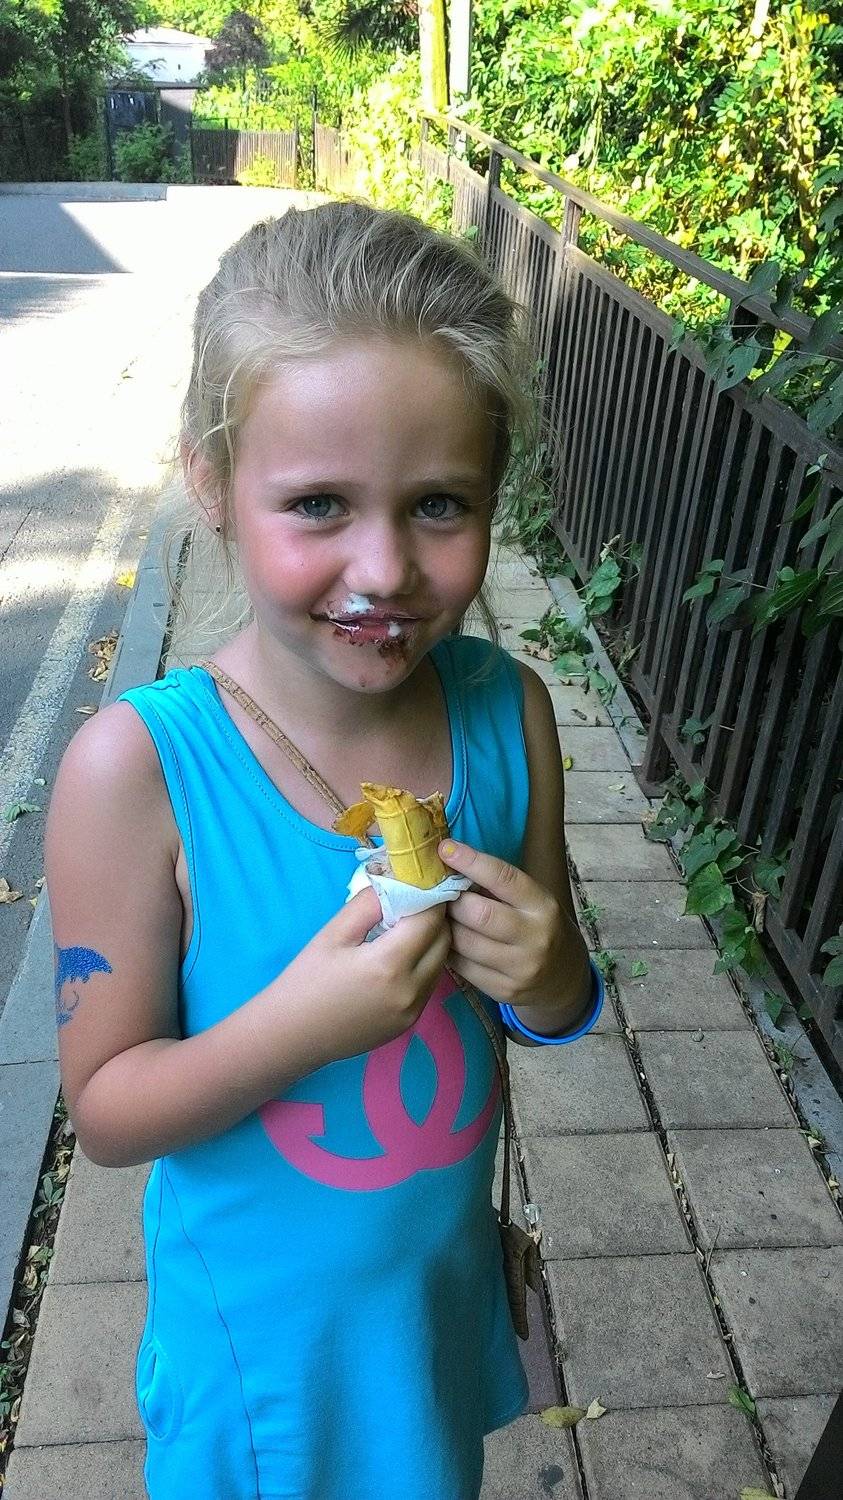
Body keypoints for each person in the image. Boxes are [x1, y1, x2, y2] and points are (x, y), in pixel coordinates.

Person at [46, 201, 603, 1500]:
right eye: (317, 504)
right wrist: (301, 1024)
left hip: (431, 1310)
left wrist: (550, 976)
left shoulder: (507, 713)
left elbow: (549, 1004)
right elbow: (108, 1107)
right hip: (263, 1373)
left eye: (439, 504)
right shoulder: (139, 774)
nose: (384, 568)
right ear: (210, 482)